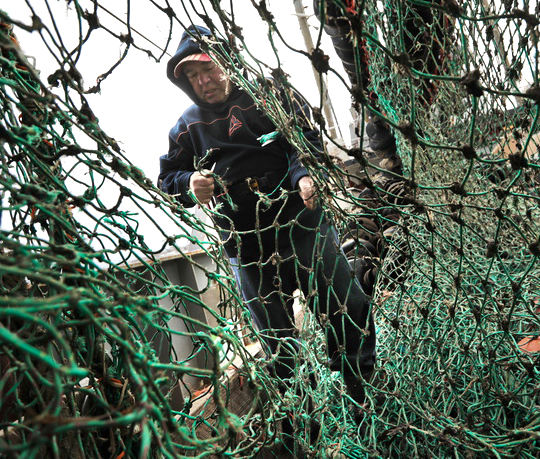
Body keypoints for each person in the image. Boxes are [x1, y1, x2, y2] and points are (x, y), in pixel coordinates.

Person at [157, 26, 377, 434]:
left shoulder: (270, 94)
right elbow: (167, 179)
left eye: (207, 69)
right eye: (192, 76)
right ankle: (302, 429)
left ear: (226, 61)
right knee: (279, 351)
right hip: (249, 250)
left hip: (303, 229)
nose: (203, 82)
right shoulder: (186, 129)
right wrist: (189, 183)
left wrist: (305, 174)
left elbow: (304, 140)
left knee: (350, 313)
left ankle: (366, 409)